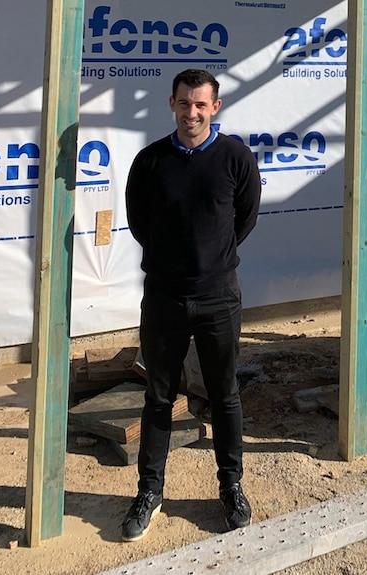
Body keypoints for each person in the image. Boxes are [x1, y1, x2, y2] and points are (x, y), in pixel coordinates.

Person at [122, 68, 262, 542]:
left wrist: (211, 262)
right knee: (159, 397)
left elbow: (245, 217)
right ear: (172, 105)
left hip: (218, 297)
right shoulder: (150, 162)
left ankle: (231, 487)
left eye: (201, 104)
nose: (192, 113)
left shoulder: (236, 158)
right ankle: (149, 492)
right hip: (163, 297)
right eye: (185, 103)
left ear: (215, 107)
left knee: (224, 396)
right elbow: (140, 223)